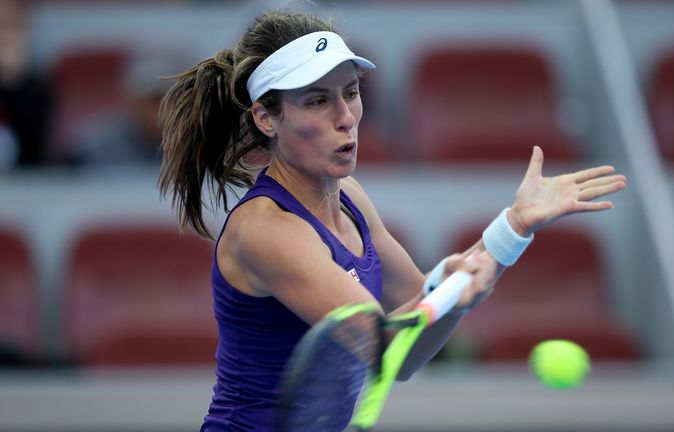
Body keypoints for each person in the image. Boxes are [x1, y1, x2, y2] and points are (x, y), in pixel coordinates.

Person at [158, 11, 627, 431]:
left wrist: (513, 229)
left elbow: (409, 349)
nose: (346, 117)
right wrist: (448, 287)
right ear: (266, 118)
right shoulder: (265, 230)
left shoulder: (352, 199)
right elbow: (381, 344)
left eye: (352, 92)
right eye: (317, 101)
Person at [0, 0, 53, 167]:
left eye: (14, 26)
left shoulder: (37, 89)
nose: (6, 36)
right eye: (1, 24)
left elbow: (30, 159)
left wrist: (12, 81)